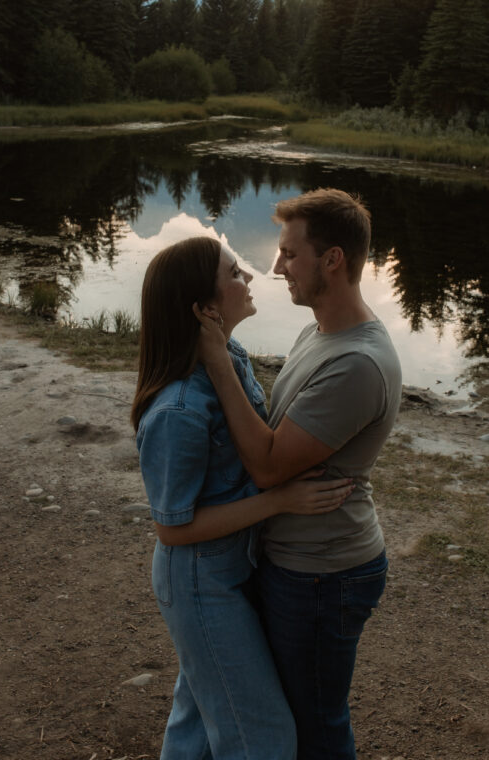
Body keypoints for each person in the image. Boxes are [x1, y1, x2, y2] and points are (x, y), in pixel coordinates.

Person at [194, 188, 402, 760]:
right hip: (298, 563)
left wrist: (216, 359)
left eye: (289, 254)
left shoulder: (357, 363)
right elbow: (271, 432)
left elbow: (264, 465)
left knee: (314, 725)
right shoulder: (318, 333)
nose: (276, 267)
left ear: (332, 260)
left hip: (322, 574)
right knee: (286, 712)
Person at [131, 235, 354, 760]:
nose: (251, 277)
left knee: (198, 725)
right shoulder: (178, 410)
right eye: (234, 274)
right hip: (200, 581)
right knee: (263, 738)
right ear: (205, 310)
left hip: (233, 569)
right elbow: (171, 527)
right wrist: (282, 501)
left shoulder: (226, 358)